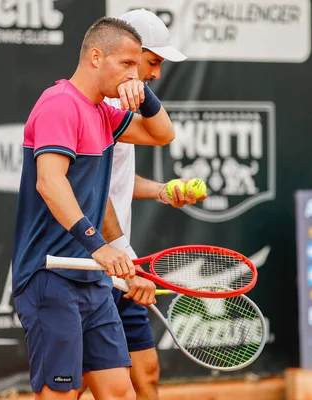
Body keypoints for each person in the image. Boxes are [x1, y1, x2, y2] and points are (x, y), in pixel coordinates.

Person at [11, 16, 175, 400]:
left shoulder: (103, 113)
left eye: (138, 65)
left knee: (120, 391)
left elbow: (162, 133)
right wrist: (99, 246)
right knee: (62, 395)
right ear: (96, 57)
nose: (134, 75)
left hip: (93, 282)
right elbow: (50, 183)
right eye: (127, 65)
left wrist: (145, 95)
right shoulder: (59, 105)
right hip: (50, 276)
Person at [77, 9, 206, 400]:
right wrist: (124, 257)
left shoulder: (121, 111)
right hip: (97, 260)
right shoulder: (94, 109)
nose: (155, 75)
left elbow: (116, 181)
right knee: (89, 384)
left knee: (144, 375)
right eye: (152, 63)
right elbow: (90, 195)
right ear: (128, 56)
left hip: (120, 260)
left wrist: (162, 190)